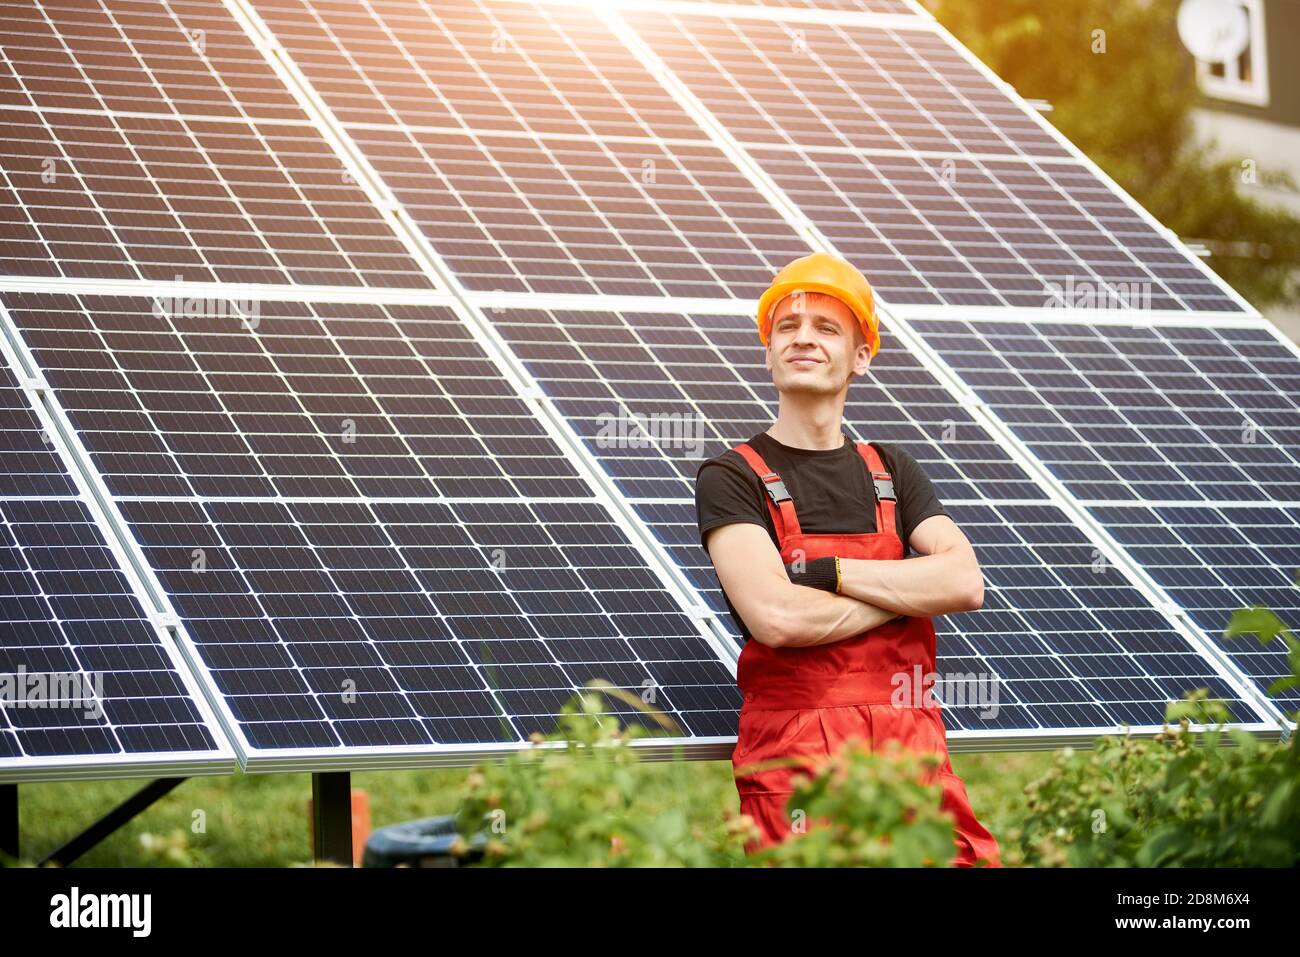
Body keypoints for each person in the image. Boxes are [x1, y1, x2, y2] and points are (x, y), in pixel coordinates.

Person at [694, 251, 1002, 866]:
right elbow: (778, 617)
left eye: (826, 328)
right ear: (769, 349)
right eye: (788, 327)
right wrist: (908, 596)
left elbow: (965, 582)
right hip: (796, 753)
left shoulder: (892, 468)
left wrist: (834, 575)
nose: (803, 338)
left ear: (861, 356)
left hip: (910, 744)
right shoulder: (731, 477)